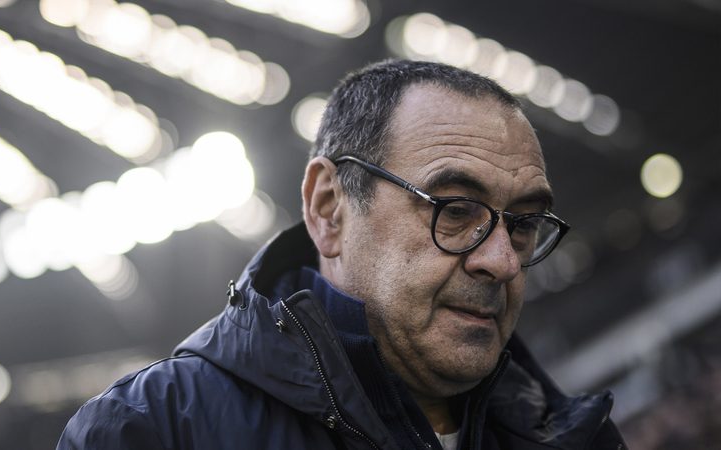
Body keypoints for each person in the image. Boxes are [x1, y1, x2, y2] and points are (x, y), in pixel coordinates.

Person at [57, 60, 627, 450]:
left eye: (524, 224)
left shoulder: (582, 437)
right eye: (455, 209)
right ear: (329, 209)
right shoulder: (150, 430)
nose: (502, 262)